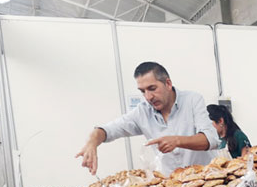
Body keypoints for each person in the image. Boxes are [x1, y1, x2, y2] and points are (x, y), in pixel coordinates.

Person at [76, 62, 219, 176]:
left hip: (207, 180)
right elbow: (108, 130)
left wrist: (177, 141)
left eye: (152, 88)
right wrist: (92, 142)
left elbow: (211, 140)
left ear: (168, 84)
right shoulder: (142, 111)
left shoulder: (192, 100)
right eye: (142, 91)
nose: (148, 97)